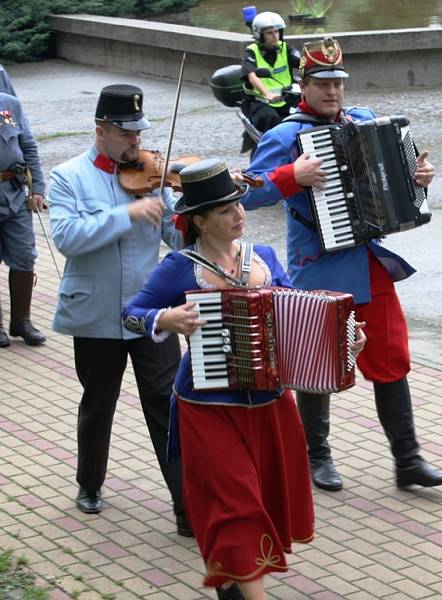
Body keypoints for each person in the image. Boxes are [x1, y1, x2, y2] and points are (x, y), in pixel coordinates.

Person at [122, 158, 364, 600]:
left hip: (270, 404)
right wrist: (166, 317)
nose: (238, 215)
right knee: (236, 508)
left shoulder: (265, 258)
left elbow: (301, 313)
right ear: (198, 221)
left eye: (238, 205)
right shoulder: (179, 267)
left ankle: (233, 588)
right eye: (224, 211)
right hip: (207, 407)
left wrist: (345, 337)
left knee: (259, 504)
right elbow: (132, 315)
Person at [242, 37, 442, 492]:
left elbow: (399, 177)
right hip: (317, 267)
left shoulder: (362, 121)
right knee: (319, 363)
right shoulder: (283, 136)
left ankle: (408, 460)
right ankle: (316, 456)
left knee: (391, 357)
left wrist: (418, 180)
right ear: (304, 84)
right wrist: (290, 176)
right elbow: (248, 191)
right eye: (323, 83)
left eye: (339, 83)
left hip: (369, 262)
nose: (333, 92)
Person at [47, 84, 189, 536]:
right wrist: (127, 214)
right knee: (98, 402)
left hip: (153, 316)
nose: (137, 142)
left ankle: (186, 505)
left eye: (140, 133)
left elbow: (181, 242)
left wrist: (194, 210)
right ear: (101, 130)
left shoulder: (154, 175)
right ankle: (89, 482)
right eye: (127, 134)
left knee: (170, 407)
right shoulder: (67, 176)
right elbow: (68, 238)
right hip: (97, 314)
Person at [0, 75, 47, 348]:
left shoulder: (10, 105)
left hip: (14, 193)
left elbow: (28, 144)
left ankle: (21, 321)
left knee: (24, 257)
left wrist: (38, 188)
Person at [240, 11, 301, 134]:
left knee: (308, 114)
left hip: (286, 99)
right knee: (272, 120)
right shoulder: (252, 52)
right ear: (260, 35)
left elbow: (303, 63)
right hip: (261, 102)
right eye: (269, 33)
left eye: (277, 31)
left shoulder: (284, 48)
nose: (275, 35)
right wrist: (267, 93)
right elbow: (252, 76)